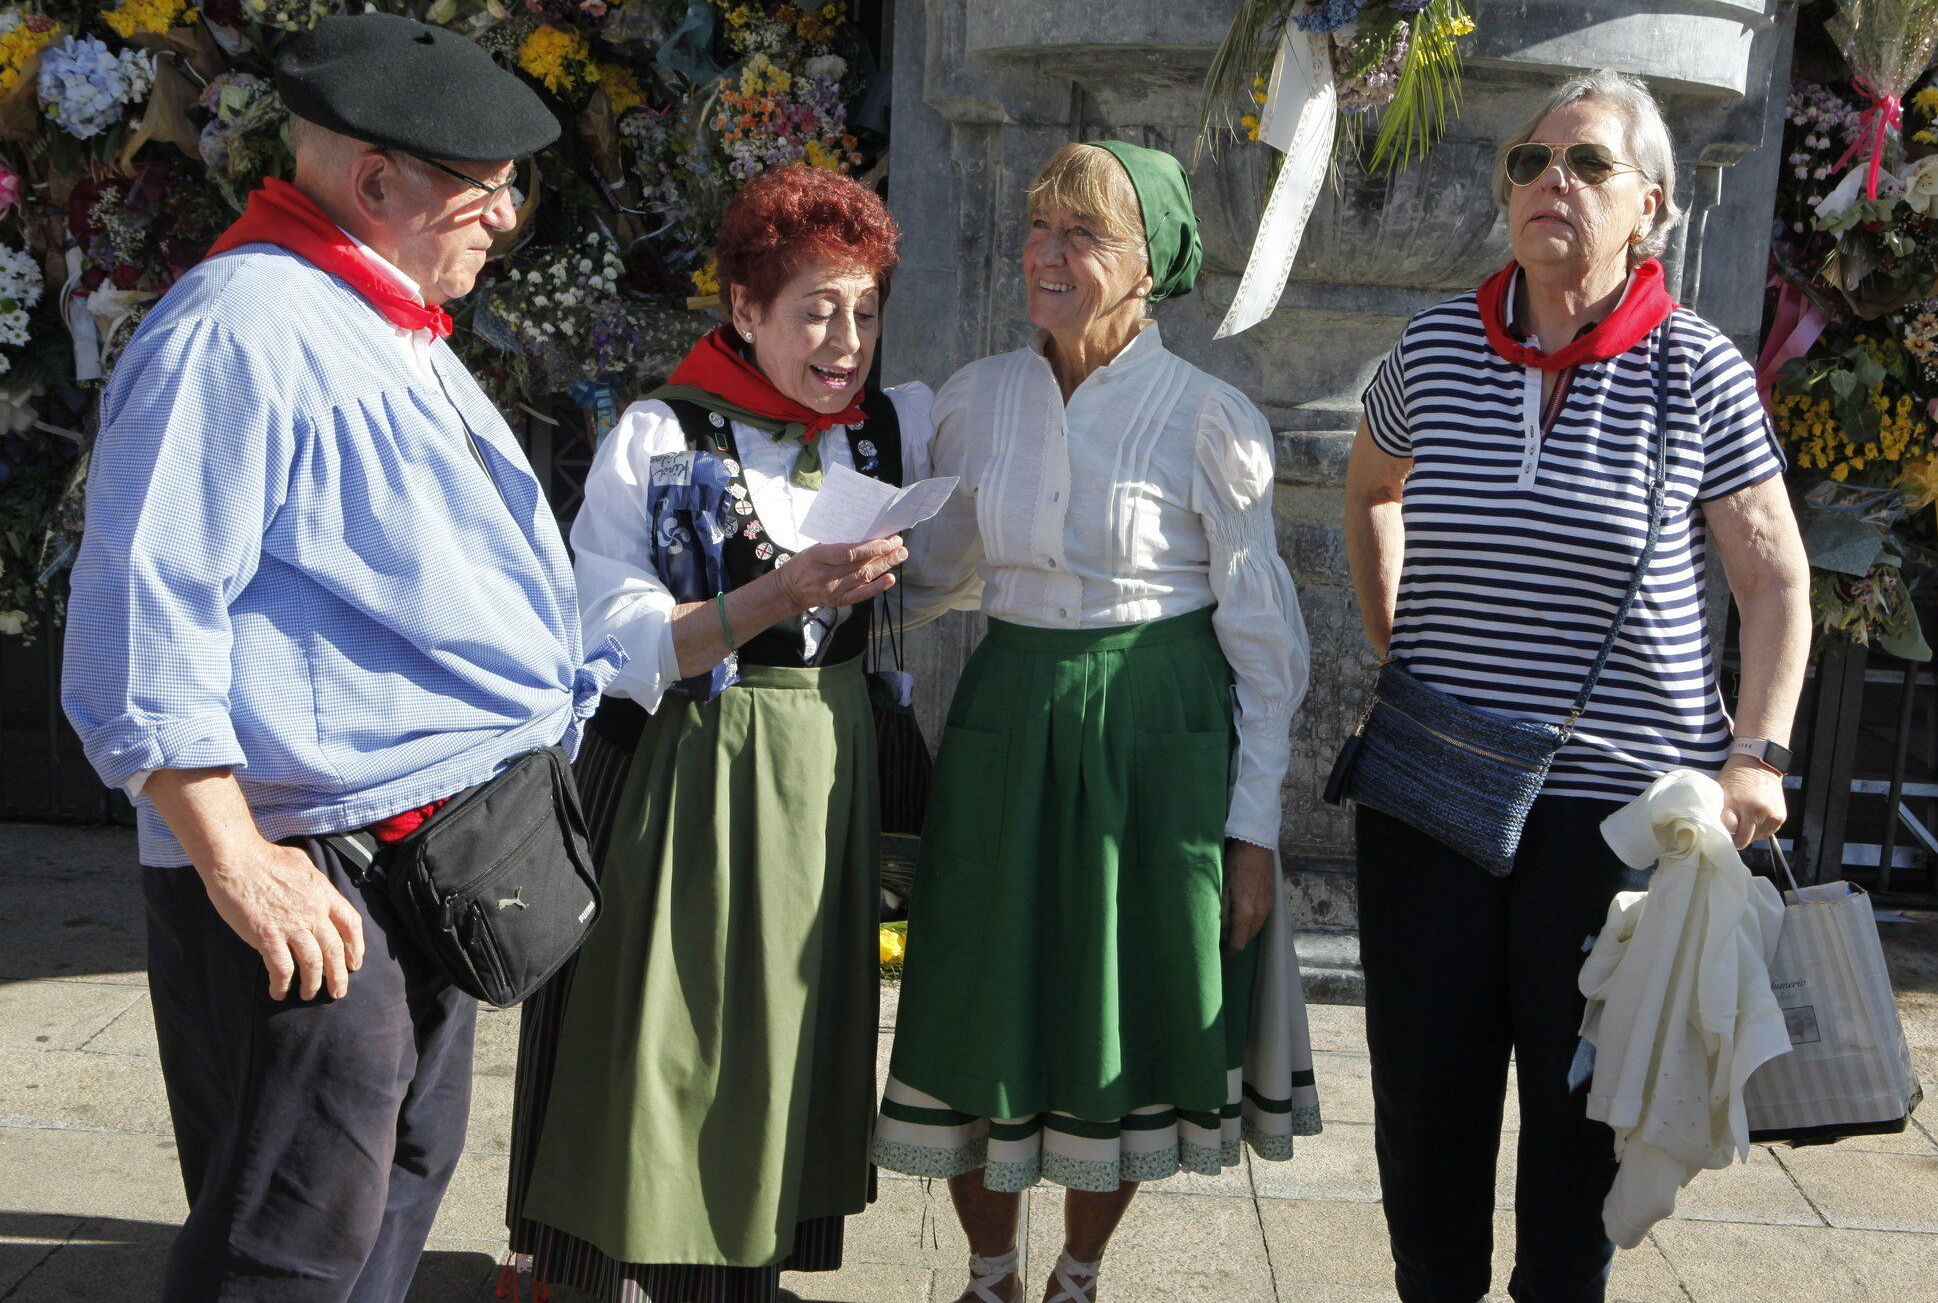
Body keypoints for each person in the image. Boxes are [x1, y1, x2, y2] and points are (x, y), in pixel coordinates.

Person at [59, 12, 620, 1302]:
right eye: (486, 193)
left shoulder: (372, 310)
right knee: (288, 1243)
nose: (504, 220)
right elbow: (142, 605)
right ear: (374, 182)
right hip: (311, 869)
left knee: (386, 1204)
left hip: (411, 857)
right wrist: (239, 862)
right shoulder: (243, 326)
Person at [1341, 69, 1811, 1302]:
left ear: (1647, 205)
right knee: (1424, 1112)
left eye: (1586, 163)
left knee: (1578, 1130)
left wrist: (1754, 751)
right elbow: (1367, 492)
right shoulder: (1436, 346)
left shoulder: (1695, 368)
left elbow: (1772, 583)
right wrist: (1402, 650)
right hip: (1432, 797)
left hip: (1612, 827)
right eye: (1529, 161)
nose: (1549, 181)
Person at [874, 140, 1321, 1303]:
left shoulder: (1208, 418)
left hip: (1154, 749)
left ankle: (1074, 1274)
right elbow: (932, 576)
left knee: (1112, 1014)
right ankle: (986, 1274)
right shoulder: (975, 401)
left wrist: (1253, 828)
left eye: (1081, 234)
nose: (1045, 253)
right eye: (1037, 226)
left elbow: (1265, 642)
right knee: (982, 997)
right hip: (1009, 729)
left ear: (1147, 267)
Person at [506, 164, 926, 1303]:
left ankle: (742, 1269)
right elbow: (609, 628)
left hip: (822, 773)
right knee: (666, 1028)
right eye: (816, 310)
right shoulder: (661, 431)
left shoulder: (892, 430)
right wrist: (772, 598)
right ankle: (624, 1268)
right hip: (690, 767)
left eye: (866, 310)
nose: (846, 341)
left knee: (785, 1026)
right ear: (745, 310)